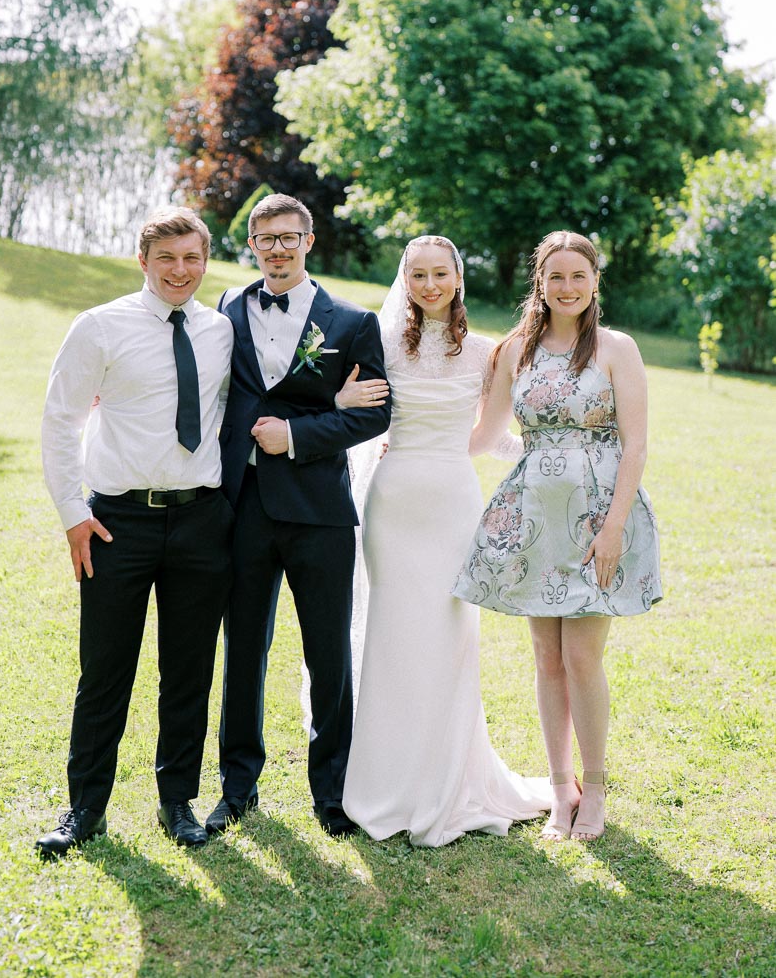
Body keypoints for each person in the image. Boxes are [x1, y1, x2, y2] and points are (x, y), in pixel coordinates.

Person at [337, 236, 551, 847]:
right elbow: (353, 414)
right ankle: (387, 779)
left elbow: (492, 436)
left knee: (450, 638)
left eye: (440, 274)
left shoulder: (486, 353)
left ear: (458, 277)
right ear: (405, 281)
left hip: (453, 505)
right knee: (393, 636)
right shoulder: (380, 345)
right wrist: (341, 399)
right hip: (394, 504)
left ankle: (451, 777)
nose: (429, 285)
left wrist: (545, 452)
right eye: (418, 275)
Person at [36, 207, 235, 857]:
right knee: (105, 670)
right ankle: (85, 808)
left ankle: (177, 801)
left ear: (205, 261)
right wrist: (73, 512)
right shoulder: (100, 326)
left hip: (201, 520)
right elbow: (60, 419)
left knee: (189, 671)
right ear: (143, 261)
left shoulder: (220, 331)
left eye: (191, 257)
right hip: (116, 523)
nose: (180, 270)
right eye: (166, 258)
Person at [453, 230, 662, 842]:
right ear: (540, 283)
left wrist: (614, 528)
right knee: (547, 658)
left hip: (600, 516)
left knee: (582, 657)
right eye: (555, 277)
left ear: (595, 281)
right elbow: (487, 434)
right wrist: (415, 445)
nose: (567, 287)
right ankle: (560, 789)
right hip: (536, 515)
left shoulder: (617, 349)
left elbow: (636, 445)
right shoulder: (515, 350)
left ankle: (595, 790)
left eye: (578, 276)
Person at [210, 193, 391, 838]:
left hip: (319, 510)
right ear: (252, 245)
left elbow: (376, 412)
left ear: (308, 242)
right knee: (243, 650)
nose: (278, 249)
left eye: (289, 237)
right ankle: (237, 788)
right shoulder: (228, 308)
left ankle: (333, 793)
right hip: (244, 507)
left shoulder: (352, 322)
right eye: (266, 239)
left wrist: (299, 434)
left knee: (328, 653)